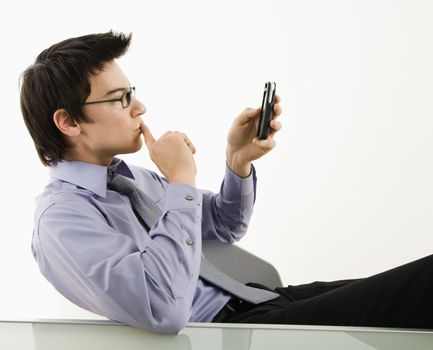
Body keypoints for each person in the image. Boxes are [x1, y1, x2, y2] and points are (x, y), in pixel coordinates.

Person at [20, 31, 432, 334]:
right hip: (229, 331)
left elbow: (223, 225)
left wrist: (237, 164)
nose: (140, 107)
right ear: (69, 121)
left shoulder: (131, 181)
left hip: (260, 300)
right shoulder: (61, 220)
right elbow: (163, 307)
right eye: (120, 98)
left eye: (134, 92)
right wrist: (181, 179)